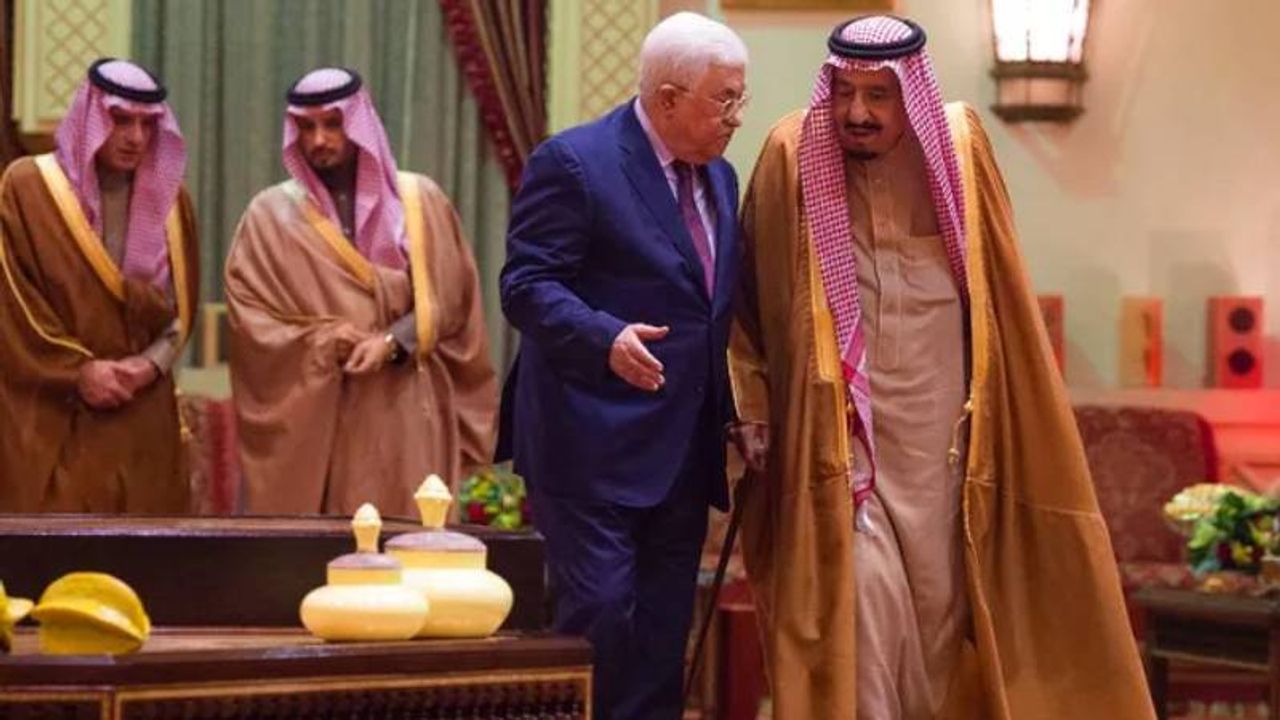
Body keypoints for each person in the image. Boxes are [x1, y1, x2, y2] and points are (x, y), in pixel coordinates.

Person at [729, 15, 1155, 719]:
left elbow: (1002, 302)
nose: (857, 113)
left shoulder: (958, 150)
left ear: (912, 95)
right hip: (840, 440)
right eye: (845, 93)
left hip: (942, 447)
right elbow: (747, 306)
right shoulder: (791, 154)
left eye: (878, 95)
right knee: (861, 609)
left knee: (935, 628)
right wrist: (752, 406)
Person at [498, 12, 748, 719]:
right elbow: (525, 285)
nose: (736, 116)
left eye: (740, 98)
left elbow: (709, 313)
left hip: (681, 451)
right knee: (601, 619)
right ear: (668, 99)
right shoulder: (575, 163)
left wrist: (737, 414)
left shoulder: (722, 177)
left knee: (662, 640)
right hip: (589, 442)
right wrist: (603, 336)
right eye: (724, 99)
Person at [226, 67, 497, 517]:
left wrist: (392, 342)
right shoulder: (269, 216)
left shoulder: (420, 201)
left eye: (333, 124)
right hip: (317, 421)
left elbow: (451, 299)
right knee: (323, 550)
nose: (319, 140)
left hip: (403, 408)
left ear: (359, 124)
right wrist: (326, 340)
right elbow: (251, 324)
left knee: (407, 539)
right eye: (306, 127)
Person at [0, 59, 198, 513]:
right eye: (120, 120)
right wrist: (80, 373)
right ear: (89, 115)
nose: (135, 137)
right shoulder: (28, 188)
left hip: (143, 407)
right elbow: (11, 303)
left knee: (148, 545)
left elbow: (180, 310)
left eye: (147, 124)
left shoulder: (173, 202)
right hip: (55, 409)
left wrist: (148, 366)